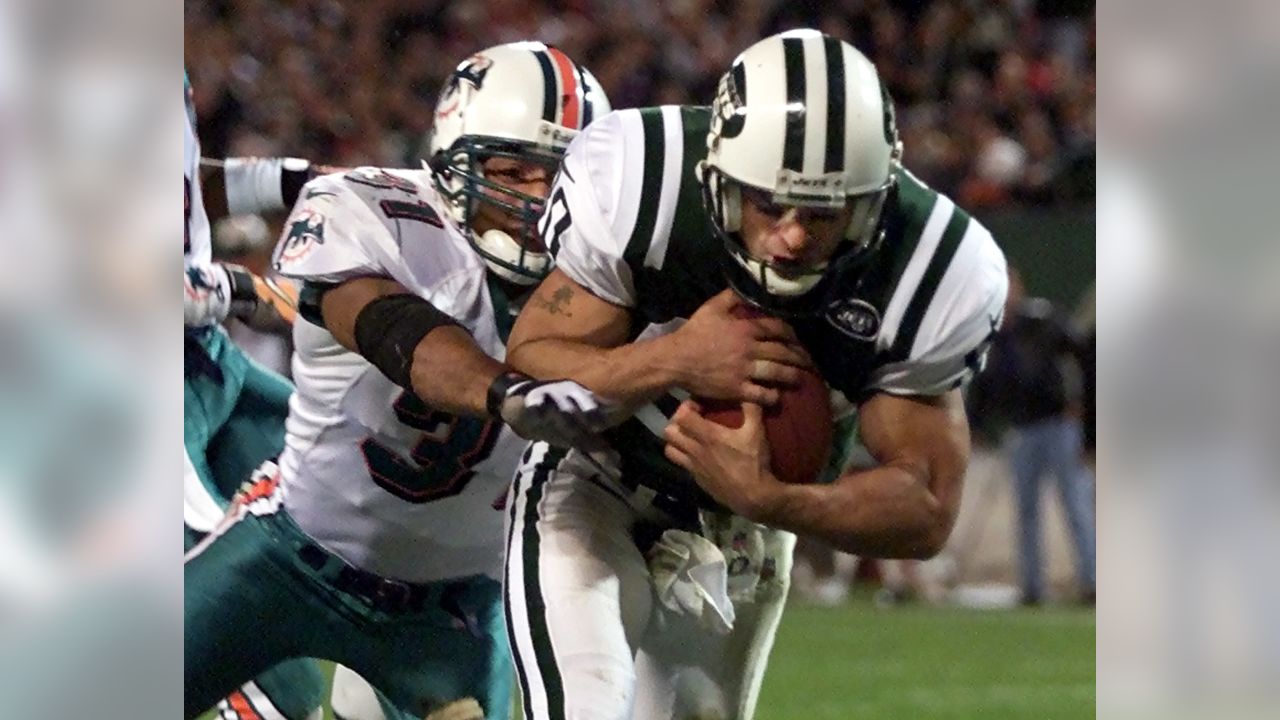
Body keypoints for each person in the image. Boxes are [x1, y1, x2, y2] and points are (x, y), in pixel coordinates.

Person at [503, 29, 1007, 718]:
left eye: (825, 212)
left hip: (745, 530)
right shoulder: (643, 179)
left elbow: (926, 507)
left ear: (872, 201)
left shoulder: (931, 267)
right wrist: (675, 359)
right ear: (720, 178)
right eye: (771, 204)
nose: (795, 235)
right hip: (594, 481)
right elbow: (530, 361)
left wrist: (771, 500)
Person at [183, 42, 612, 720]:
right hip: (288, 557)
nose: (538, 201)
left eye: (560, 178)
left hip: (451, 610)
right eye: (513, 172)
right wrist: (507, 391)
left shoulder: (612, 282)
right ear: (452, 159)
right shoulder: (370, 210)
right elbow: (390, 327)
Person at [184, 69, 357, 720]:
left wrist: (287, 180)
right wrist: (234, 288)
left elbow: (178, 181)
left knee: (362, 484)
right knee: (225, 596)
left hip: (204, 358)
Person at [968, 267, 1096, 605]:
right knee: (1026, 510)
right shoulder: (990, 334)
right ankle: (1032, 587)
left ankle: (1091, 580)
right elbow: (983, 385)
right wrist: (977, 426)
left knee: (1075, 502)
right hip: (1022, 429)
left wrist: (1080, 406)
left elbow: (1083, 355)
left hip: (1058, 423)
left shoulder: (1042, 320)